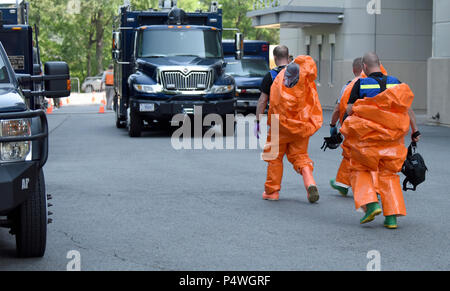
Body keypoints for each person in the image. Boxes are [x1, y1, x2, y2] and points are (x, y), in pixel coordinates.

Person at [341, 52, 420, 229]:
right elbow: (407, 109)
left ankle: (371, 205)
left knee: (360, 171)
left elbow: (350, 109)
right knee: (389, 176)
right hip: (393, 142)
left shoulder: (361, 84)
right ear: (380, 64)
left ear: (364, 68)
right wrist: (415, 131)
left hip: (367, 142)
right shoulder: (396, 83)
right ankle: (391, 218)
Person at [258, 57, 323, 203]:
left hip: (279, 125)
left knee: (275, 157)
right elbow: (313, 104)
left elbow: (266, 101)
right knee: (300, 156)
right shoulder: (307, 82)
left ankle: (272, 191)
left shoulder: (275, 77)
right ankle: (310, 182)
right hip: (300, 125)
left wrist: (259, 120)